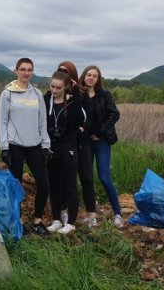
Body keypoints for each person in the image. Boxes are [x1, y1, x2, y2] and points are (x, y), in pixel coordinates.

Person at [0, 57, 51, 235]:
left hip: (34, 145)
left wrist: (45, 145)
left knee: (44, 184)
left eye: (29, 69)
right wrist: (4, 147)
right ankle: (18, 220)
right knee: (16, 185)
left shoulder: (36, 94)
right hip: (15, 146)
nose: (26, 73)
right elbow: (2, 122)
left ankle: (37, 221)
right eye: (23, 69)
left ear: (32, 71)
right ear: (16, 71)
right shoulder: (8, 93)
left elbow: (42, 122)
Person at [79, 64, 124, 228]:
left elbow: (115, 114)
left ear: (98, 79)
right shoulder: (80, 95)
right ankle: (92, 213)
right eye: (88, 75)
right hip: (86, 142)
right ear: (84, 76)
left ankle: (118, 213)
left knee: (104, 177)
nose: (91, 78)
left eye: (94, 76)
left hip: (102, 141)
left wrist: (100, 132)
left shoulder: (105, 95)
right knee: (87, 178)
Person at [56, 60, 98, 227]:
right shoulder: (55, 91)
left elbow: (89, 117)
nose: (63, 74)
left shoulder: (80, 93)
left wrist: (81, 129)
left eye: (66, 71)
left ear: (72, 74)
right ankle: (64, 211)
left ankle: (91, 213)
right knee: (66, 178)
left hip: (81, 143)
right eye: (60, 71)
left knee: (87, 178)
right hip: (64, 144)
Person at [43, 70, 85, 235]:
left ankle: (71, 222)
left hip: (68, 149)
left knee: (70, 186)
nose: (54, 90)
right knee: (54, 186)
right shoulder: (47, 100)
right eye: (52, 86)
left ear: (66, 87)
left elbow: (79, 120)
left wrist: (75, 92)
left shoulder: (73, 102)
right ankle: (56, 219)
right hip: (51, 148)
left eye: (58, 88)